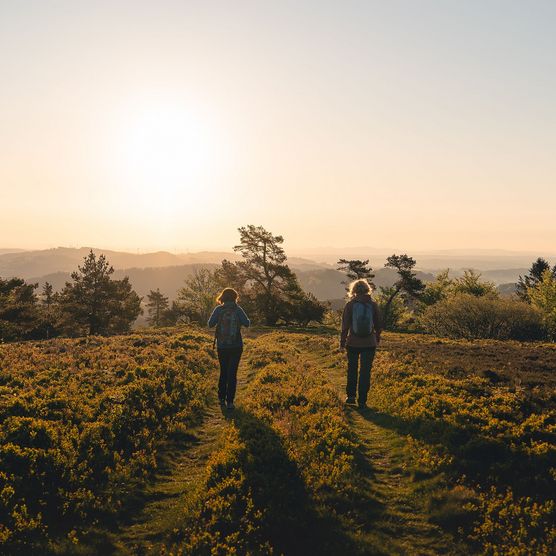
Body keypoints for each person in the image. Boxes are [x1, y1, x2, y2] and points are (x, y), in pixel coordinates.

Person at [340, 279, 382, 409]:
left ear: (354, 291)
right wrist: (377, 338)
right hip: (369, 344)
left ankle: (351, 397)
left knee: (352, 369)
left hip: (352, 343)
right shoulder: (373, 305)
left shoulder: (350, 305)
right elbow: (379, 325)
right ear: (367, 290)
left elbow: (345, 326)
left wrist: (342, 342)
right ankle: (362, 400)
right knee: (365, 371)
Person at [208, 288, 250, 410]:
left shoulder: (218, 309)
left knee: (223, 371)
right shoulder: (238, 309)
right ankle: (230, 402)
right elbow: (247, 323)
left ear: (222, 297)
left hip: (222, 346)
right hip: (236, 346)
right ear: (235, 297)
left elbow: (210, 324)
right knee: (232, 373)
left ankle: (221, 398)